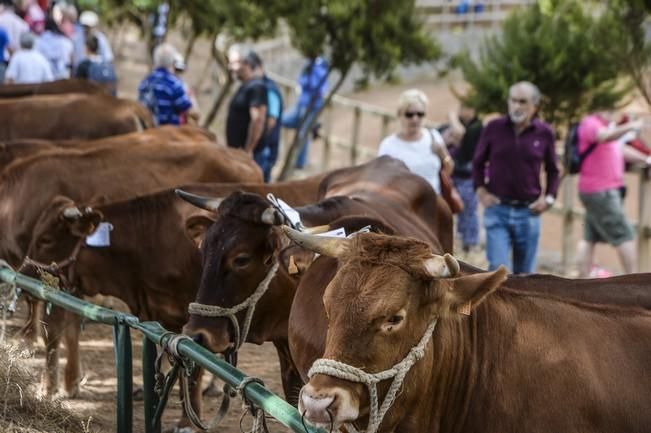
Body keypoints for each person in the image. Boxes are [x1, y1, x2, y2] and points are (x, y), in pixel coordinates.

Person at [473, 81, 559, 274]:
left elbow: (553, 170)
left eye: (523, 102)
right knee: (498, 271)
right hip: (497, 210)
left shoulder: (545, 133)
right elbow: (478, 163)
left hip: (528, 213)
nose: (517, 106)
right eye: (513, 101)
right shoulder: (493, 128)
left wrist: (549, 199)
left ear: (534, 106)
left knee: (525, 277)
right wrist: (481, 191)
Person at [575, 111, 650, 277]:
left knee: (590, 237)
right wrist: (631, 125)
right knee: (625, 235)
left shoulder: (607, 126)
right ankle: (632, 281)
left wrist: (646, 160)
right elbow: (605, 137)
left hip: (600, 192)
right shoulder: (591, 123)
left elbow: (620, 149)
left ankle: (583, 280)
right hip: (601, 193)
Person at [378, 89, 454, 195]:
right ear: (399, 115)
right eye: (409, 114)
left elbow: (449, 168)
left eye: (420, 114)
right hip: (404, 206)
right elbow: (381, 180)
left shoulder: (434, 136)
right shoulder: (388, 145)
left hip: (433, 204)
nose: (415, 119)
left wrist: (443, 154)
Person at [445, 103, 483, 252]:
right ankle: (456, 241)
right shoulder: (449, 126)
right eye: (461, 108)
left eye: (468, 108)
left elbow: (461, 134)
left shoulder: (477, 128)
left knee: (469, 209)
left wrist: (452, 117)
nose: (464, 111)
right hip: (452, 175)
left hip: (468, 176)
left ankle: (470, 243)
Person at [281, 55, 328, 169]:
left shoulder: (320, 65)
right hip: (301, 103)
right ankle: (313, 126)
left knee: (303, 133)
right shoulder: (310, 63)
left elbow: (318, 87)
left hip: (311, 106)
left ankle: (300, 164)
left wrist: (311, 70)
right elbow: (301, 80)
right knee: (282, 120)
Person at [225, 46, 267, 158]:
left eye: (234, 63)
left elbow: (258, 119)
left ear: (247, 64)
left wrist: (248, 150)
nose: (231, 67)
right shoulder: (245, 86)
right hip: (237, 153)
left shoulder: (256, 87)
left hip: (248, 155)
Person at [137, 43, 192, 126]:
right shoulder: (174, 84)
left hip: (147, 130)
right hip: (169, 133)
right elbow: (190, 111)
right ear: (172, 62)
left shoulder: (145, 81)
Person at [252, 58, 283, 182]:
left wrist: (259, 138)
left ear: (260, 67)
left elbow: (272, 119)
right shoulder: (258, 86)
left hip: (266, 147)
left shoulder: (269, 89)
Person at [172, 53, 200, 125]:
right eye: (176, 70)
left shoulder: (184, 87)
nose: (177, 73)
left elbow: (195, 112)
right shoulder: (181, 87)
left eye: (179, 70)